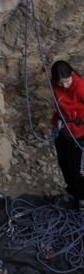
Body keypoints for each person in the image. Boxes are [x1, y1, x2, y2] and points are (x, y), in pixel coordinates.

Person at [50, 60, 84, 208]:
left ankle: (82, 198)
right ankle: (72, 193)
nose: (64, 85)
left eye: (67, 81)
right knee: (64, 163)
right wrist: (59, 120)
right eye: (60, 83)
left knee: (77, 168)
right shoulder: (55, 84)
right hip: (64, 130)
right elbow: (60, 106)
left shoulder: (80, 87)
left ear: (72, 75)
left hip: (80, 133)